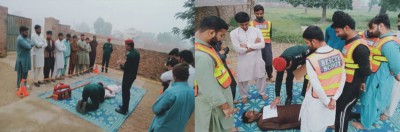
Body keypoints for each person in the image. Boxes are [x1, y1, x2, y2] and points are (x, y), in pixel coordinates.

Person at [353, 14, 400, 130]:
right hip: (377, 76)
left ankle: (364, 124)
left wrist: (395, 73)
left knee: (371, 101)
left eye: (373, 28)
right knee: (375, 100)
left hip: (379, 78)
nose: (370, 31)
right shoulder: (384, 39)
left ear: (381, 26)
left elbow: (396, 65)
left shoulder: (388, 44)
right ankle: (372, 119)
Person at [299, 26, 346, 132]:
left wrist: (326, 101)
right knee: (322, 125)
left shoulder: (311, 59)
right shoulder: (338, 53)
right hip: (332, 98)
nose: (307, 45)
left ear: (314, 41)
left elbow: (316, 85)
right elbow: (342, 78)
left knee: (309, 125)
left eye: (307, 42)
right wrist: (334, 99)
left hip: (317, 100)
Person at [331, 12, 372, 132]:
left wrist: (362, 82)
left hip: (351, 87)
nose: (337, 35)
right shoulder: (350, 42)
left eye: (338, 31)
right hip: (345, 84)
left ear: (347, 28)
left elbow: (366, 70)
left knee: (342, 111)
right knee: (339, 110)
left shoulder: (360, 48)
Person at [195, 16, 235, 131]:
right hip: (214, 106)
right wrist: (225, 106)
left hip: (220, 98)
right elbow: (209, 87)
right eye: (221, 35)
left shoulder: (205, 46)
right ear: (211, 32)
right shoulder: (202, 57)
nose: (220, 39)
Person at [230, 12, 267, 103]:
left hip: (257, 58)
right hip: (243, 60)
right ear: (238, 23)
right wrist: (255, 45)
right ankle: (244, 95)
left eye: (246, 24)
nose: (245, 26)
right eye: (242, 24)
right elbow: (238, 49)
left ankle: (262, 92)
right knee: (242, 78)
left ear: (249, 21)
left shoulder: (256, 31)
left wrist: (247, 45)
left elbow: (262, 45)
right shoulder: (233, 33)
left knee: (260, 75)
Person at [148, 63, 195, 132]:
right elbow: (190, 112)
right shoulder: (192, 92)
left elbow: (156, 109)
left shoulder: (171, 92)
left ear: (174, 76)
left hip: (163, 128)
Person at [380, 13, 400, 121]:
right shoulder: (397, 34)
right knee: (390, 88)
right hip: (394, 65)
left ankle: (388, 113)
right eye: (398, 21)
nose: (398, 24)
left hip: (398, 67)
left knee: (396, 91)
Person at [115, 39, 140, 115]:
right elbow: (130, 65)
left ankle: (124, 109)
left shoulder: (130, 55)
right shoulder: (136, 52)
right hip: (132, 75)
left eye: (125, 45)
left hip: (128, 76)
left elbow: (126, 68)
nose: (125, 46)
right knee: (127, 91)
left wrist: (120, 64)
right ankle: (125, 106)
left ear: (129, 46)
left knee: (125, 92)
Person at [251, 5, 274, 82]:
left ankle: (270, 75)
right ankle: (261, 76)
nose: (259, 15)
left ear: (263, 13)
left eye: (261, 13)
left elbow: (270, 35)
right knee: (258, 61)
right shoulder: (251, 24)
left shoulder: (269, 23)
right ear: (254, 13)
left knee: (268, 61)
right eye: (257, 14)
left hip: (267, 45)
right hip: (257, 46)